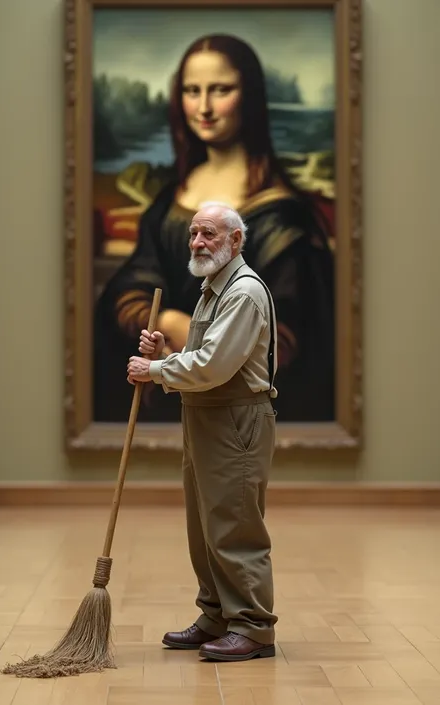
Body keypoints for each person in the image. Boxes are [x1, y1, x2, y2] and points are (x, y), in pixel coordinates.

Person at [93, 33, 335, 426]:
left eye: (220, 89)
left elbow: (292, 334)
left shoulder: (282, 215)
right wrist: (164, 322)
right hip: (169, 389)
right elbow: (129, 287)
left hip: (238, 410)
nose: (203, 107)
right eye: (192, 90)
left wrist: (208, 343)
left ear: (250, 97)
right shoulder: (170, 200)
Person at [127, 201, 278, 662]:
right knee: (205, 526)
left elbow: (214, 365)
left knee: (233, 524)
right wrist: (166, 348)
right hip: (207, 416)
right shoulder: (214, 286)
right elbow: (204, 351)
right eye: (194, 233)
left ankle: (252, 627)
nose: (197, 242)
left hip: (235, 420)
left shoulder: (243, 292)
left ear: (235, 241)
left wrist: (155, 369)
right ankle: (216, 614)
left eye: (209, 234)